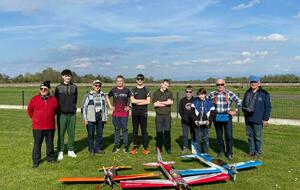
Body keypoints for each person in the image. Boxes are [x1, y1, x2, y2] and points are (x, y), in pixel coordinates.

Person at [208, 79, 241, 160]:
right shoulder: (212, 94)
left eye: (221, 84)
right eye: (218, 84)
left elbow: (239, 101)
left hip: (227, 116)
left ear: (224, 85)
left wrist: (235, 111)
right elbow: (206, 102)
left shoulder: (229, 93)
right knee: (219, 136)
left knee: (228, 136)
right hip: (217, 117)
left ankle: (229, 153)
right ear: (216, 85)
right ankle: (221, 151)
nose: (220, 86)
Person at [27, 81, 58, 168]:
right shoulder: (34, 99)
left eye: (45, 89)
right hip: (37, 127)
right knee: (37, 144)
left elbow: (56, 111)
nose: (43, 90)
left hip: (50, 126)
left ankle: (50, 158)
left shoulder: (54, 100)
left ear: (48, 90)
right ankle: (36, 161)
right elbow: (30, 111)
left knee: (50, 143)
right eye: (41, 89)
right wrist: (36, 119)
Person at [242, 76, 271, 159]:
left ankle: (258, 152)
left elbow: (268, 107)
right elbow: (244, 104)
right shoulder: (247, 92)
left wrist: (265, 119)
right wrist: (245, 112)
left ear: (259, 83)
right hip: (248, 118)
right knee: (250, 137)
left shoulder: (264, 93)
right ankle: (251, 152)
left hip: (258, 119)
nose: (253, 84)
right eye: (252, 82)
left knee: (257, 137)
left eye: (255, 82)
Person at [55, 69, 78, 160]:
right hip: (62, 114)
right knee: (61, 133)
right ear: (62, 76)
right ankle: (60, 151)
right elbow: (56, 101)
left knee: (71, 133)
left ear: (70, 77)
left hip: (72, 114)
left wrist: (72, 108)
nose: (67, 77)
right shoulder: (58, 88)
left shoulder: (74, 87)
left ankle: (70, 150)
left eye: (69, 76)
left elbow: (75, 100)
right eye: (65, 76)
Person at [81, 80, 108, 156]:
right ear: (93, 86)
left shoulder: (102, 95)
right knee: (91, 135)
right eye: (96, 85)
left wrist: (105, 117)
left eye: (99, 86)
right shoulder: (88, 95)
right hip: (90, 117)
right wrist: (85, 119)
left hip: (100, 116)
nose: (97, 87)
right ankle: (91, 149)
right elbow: (83, 108)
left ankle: (98, 148)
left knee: (99, 134)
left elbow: (105, 107)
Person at [106, 75, 131, 153]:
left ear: (123, 82)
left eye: (121, 81)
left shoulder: (127, 90)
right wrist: (110, 106)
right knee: (117, 129)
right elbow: (107, 96)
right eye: (118, 81)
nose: (119, 82)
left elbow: (133, 99)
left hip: (124, 114)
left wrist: (130, 106)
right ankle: (116, 146)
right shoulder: (113, 90)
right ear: (116, 82)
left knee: (124, 129)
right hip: (115, 114)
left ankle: (126, 146)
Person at [130, 74, 151, 155]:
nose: (140, 80)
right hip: (135, 112)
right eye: (138, 79)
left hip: (143, 112)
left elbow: (148, 101)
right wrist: (143, 100)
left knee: (144, 130)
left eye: (141, 79)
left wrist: (137, 101)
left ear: (143, 80)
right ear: (136, 80)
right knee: (135, 130)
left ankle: (145, 147)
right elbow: (132, 101)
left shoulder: (146, 89)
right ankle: (135, 147)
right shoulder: (133, 89)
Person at [152, 79, 174, 154]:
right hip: (159, 116)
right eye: (165, 85)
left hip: (167, 116)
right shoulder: (156, 93)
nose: (166, 87)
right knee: (159, 133)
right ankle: (158, 148)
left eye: (167, 86)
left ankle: (168, 148)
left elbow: (171, 102)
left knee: (167, 132)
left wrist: (160, 102)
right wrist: (166, 103)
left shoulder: (169, 93)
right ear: (161, 84)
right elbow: (155, 104)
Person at [190, 88, 214, 154]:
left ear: (205, 94)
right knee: (198, 139)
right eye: (199, 95)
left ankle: (205, 153)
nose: (200, 96)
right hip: (197, 124)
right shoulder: (195, 102)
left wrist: (209, 121)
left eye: (202, 94)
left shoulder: (210, 102)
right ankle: (199, 154)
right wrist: (195, 121)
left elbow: (212, 114)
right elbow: (191, 113)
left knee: (205, 140)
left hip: (206, 125)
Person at [178, 85, 194, 155]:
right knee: (185, 135)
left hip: (193, 121)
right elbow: (180, 111)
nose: (188, 93)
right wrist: (185, 119)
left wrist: (193, 119)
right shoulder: (182, 100)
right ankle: (185, 147)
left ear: (192, 92)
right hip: (184, 121)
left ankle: (194, 148)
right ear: (185, 92)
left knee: (193, 134)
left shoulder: (195, 100)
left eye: (190, 92)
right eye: (187, 92)